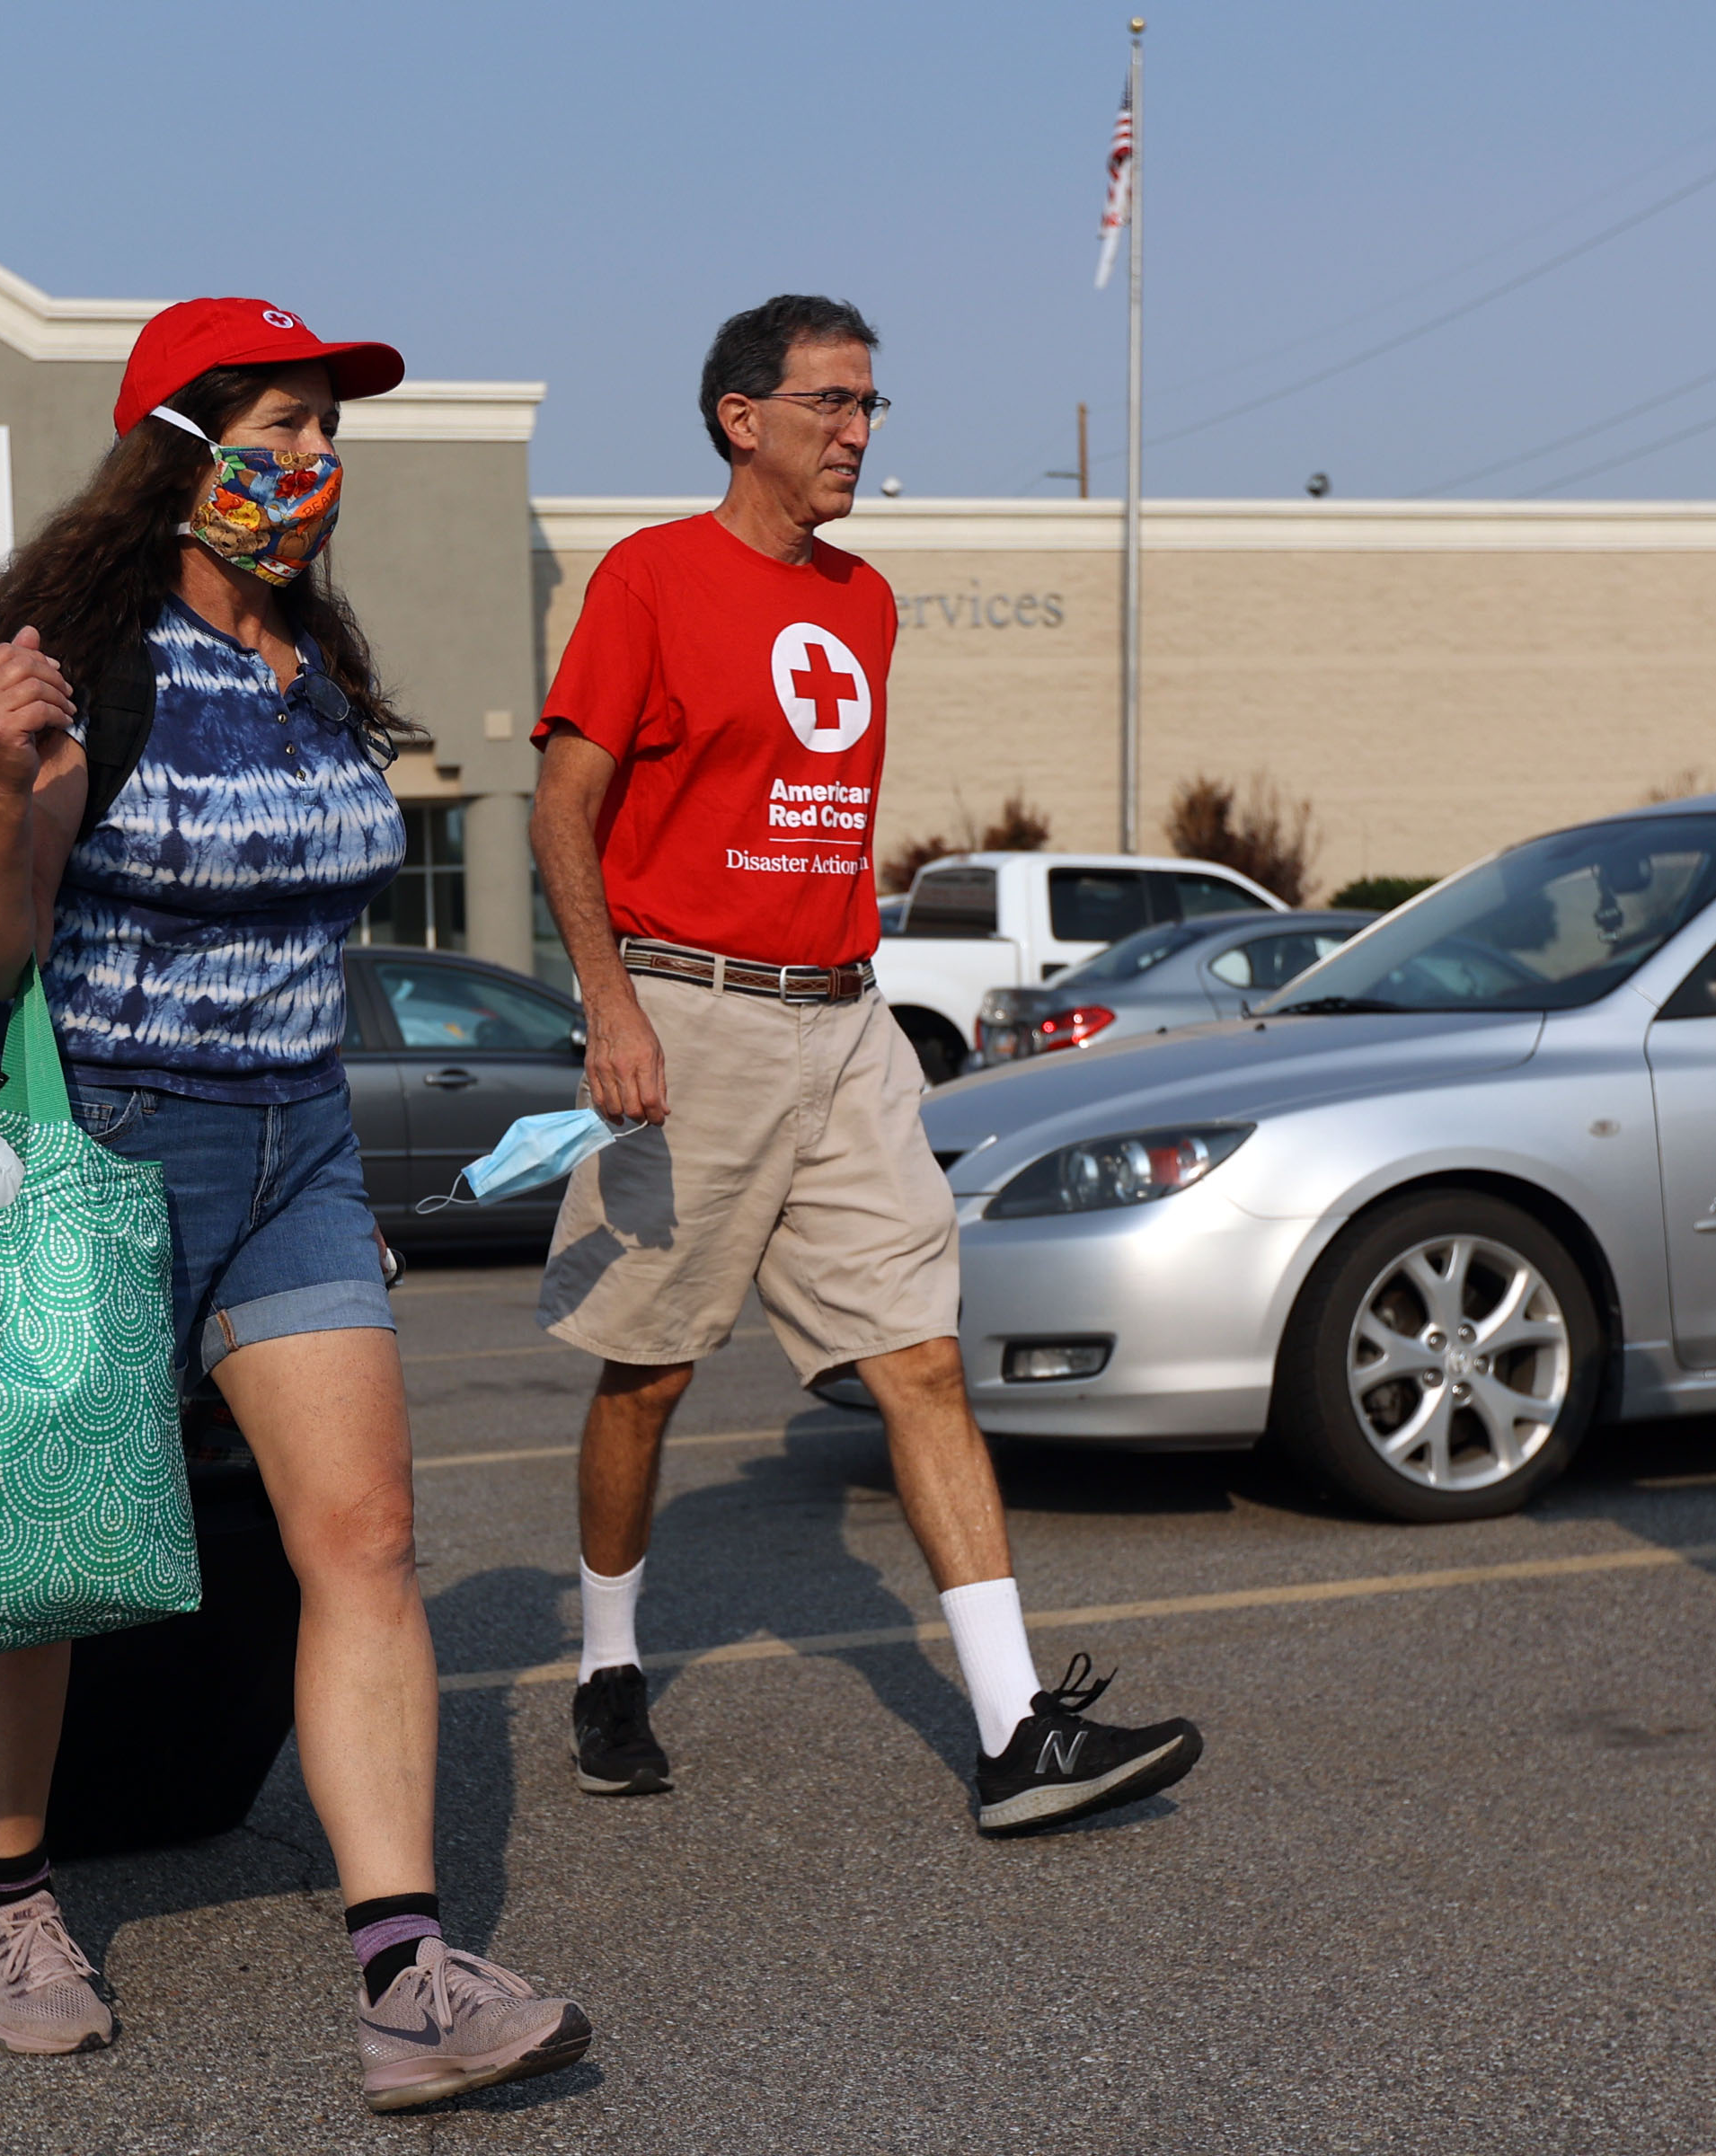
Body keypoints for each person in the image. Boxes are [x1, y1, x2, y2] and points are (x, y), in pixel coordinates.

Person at [0, 296, 591, 2110]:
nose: (309, 465)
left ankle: (406, 1975)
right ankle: (3, 1903)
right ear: (178, 453)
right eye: (274, 429)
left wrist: (334, 1160)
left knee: (359, 1542)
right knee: (41, 1555)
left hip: (295, 1144)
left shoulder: (311, 679)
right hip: (96, 1145)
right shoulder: (79, 669)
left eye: (323, 432)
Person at [529, 294, 1202, 1833]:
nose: (856, 433)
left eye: (869, 407)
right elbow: (561, 810)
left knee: (918, 1360)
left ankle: (1015, 1731)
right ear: (738, 418)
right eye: (830, 404)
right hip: (687, 1015)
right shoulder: (648, 580)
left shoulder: (865, 602)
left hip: (845, 1021)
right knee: (648, 1374)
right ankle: (609, 1665)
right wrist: (611, 1005)